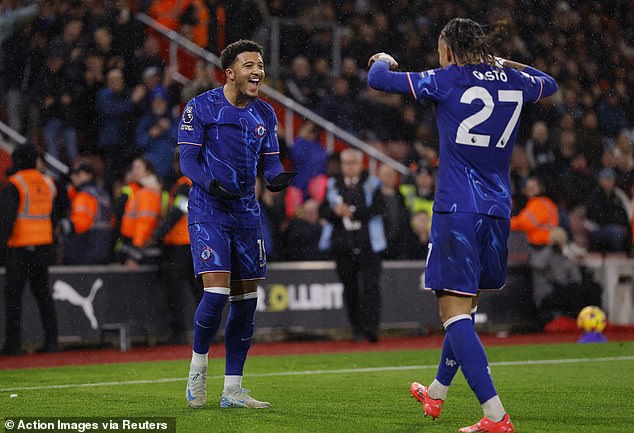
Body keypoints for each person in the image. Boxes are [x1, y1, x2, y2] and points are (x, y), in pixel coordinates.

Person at [368, 17, 557, 433]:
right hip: (496, 210)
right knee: (466, 308)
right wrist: (500, 62)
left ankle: (495, 416)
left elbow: (380, 79)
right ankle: (436, 392)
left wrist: (382, 57)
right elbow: (550, 82)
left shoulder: (446, 78)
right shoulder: (513, 79)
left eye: (440, 49)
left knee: (452, 312)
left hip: (457, 209)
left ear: (450, 50)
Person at [178, 39, 296, 410]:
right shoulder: (201, 107)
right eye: (249, 65)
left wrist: (277, 178)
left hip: (247, 215)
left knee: (245, 302)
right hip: (208, 209)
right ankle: (197, 370)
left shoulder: (266, 113)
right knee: (215, 293)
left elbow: (272, 163)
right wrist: (208, 182)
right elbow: (186, 161)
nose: (257, 71)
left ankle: (233, 390)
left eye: (259, 65)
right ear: (230, 73)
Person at [318, 148, 386, 343]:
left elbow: (379, 208)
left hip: (369, 244)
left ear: (360, 164)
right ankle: (357, 329)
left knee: (371, 287)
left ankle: (371, 329)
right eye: (345, 163)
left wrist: (354, 212)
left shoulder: (372, 184)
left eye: (352, 162)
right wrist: (336, 212)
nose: (348, 167)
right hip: (343, 245)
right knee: (350, 288)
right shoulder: (333, 185)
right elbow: (323, 210)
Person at [0, 145, 58, 355]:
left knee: (14, 298)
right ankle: (52, 342)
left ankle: (14, 345)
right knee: (43, 295)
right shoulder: (49, 183)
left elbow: (5, 220)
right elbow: (55, 214)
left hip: (20, 247)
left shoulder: (15, 184)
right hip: (43, 246)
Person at [60, 163, 112, 265]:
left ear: (88, 175)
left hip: (84, 247)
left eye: (78, 174)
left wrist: (62, 226)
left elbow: (81, 222)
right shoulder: (103, 194)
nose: (73, 177)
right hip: (103, 246)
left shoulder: (85, 195)